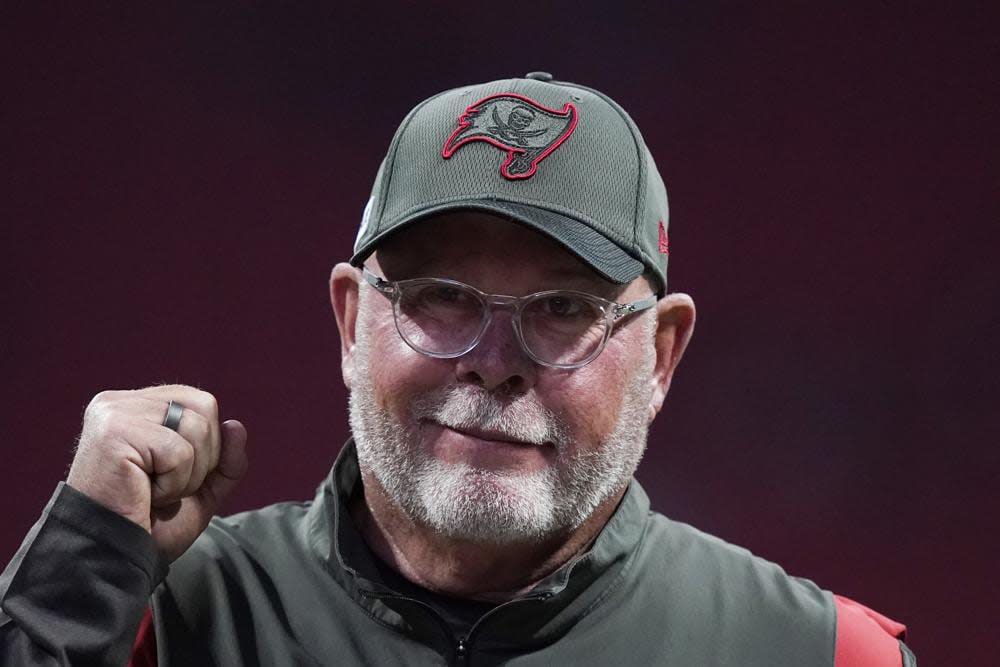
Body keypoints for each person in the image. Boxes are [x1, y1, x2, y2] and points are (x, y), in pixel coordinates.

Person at [0, 72, 916, 666]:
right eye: (440, 296)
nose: (491, 363)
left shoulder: (818, 654)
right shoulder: (157, 622)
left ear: (661, 353)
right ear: (353, 320)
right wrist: (73, 579)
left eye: (564, 308)